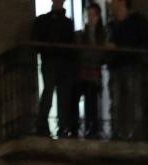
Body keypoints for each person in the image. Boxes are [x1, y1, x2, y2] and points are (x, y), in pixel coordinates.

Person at [106, 0, 148, 140]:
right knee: (116, 103)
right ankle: (117, 134)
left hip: (132, 67)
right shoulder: (112, 25)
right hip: (116, 68)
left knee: (133, 102)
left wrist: (123, 48)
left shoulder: (137, 21)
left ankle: (135, 135)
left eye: (113, 1)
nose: (110, 4)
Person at [32, 0, 79, 137]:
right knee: (49, 93)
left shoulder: (66, 23)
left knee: (62, 95)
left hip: (62, 63)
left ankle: (62, 127)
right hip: (51, 61)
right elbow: (36, 41)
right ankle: (43, 125)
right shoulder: (44, 21)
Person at [74, 2, 108, 137]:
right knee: (82, 99)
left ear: (98, 16)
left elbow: (101, 55)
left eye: (93, 15)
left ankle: (92, 129)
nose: (90, 18)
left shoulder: (102, 34)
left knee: (92, 100)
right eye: (88, 15)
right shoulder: (80, 35)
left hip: (94, 72)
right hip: (83, 72)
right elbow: (81, 53)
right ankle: (80, 128)